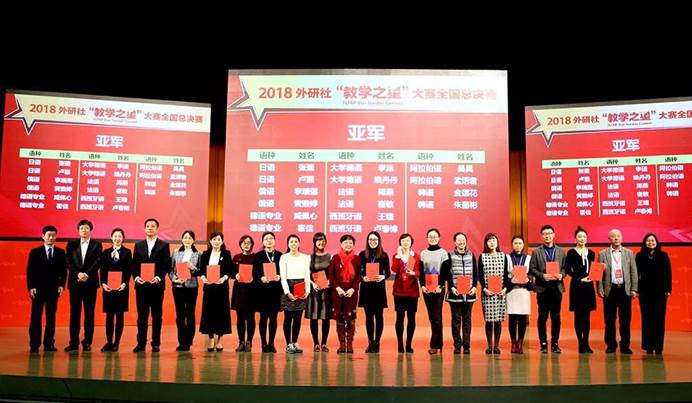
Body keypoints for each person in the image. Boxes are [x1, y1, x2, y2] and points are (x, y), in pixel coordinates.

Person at [598, 229, 638, 354]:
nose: (616, 238)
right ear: (609, 239)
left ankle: (625, 345)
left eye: (618, 236)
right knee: (609, 320)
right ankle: (611, 345)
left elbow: (633, 272)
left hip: (625, 290)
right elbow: (598, 273)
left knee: (625, 320)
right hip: (610, 290)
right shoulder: (602, 253)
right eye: (613, 236)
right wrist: (600, 289)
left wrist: (634, 289)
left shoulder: (629, 253)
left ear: (622, 238)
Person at [27, 225, 66, 353]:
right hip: (38, 290)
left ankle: (49, 344)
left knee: (51, 317)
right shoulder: (35, 252)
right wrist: (31, 287)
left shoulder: (61, 253)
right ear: (43, 236)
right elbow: (30, 271)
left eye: (53, 235)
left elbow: (63, 271)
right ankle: (34, 344)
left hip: (53, 290)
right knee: (36, 317)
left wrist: (61, 285)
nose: (51, 238)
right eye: (49, 235)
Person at [132, 218, 170, 353]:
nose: (150, 228)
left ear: (157, 229)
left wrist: (159, 277)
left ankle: (156, 343)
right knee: (142, 316)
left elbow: (166, 265)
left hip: (157, 286)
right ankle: (141, 343)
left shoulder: (164, 245)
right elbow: (134, 265)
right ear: (144, 229)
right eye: (147, 226)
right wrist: (136, 277)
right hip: (141, 286)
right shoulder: (138, 245)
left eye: (153, 226)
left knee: (156, 316)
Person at [65, 219, 102, 352]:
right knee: (74, 313)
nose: (84, 230)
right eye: (81, 228)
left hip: (90, 283)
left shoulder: (97, 244)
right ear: (78, 230)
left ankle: (87, 342)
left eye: (86, 228)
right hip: (75, 283)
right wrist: (78, 274)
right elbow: (68, 261)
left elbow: (98, 261)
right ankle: (73, 342)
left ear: (90, 230)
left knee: (89, 314)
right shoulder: (71, 244)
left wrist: (86, 274)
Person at [529, 224, 566, 353]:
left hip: (556, 287)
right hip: (542, 288)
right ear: (541, 236)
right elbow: (532, 269)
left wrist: (562, 274)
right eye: (545, 234)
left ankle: (555, 343)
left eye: (549, 233)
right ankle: (543, 343)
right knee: (543, 316)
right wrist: (542, 275)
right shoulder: (536, 251)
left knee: (556, 317)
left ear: (553, 235)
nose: (547, 236)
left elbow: (565, 268)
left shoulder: (561, 251)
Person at [636, 233, 672, 355]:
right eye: (648, 240)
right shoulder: (639, 256)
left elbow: (668, 273)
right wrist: (636, 289)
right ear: (644, 243)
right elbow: (636, 274)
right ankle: (648, 346)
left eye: (652, 240)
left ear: (656, 242)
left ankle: (659, 346)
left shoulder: (663, 255)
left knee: (659, 319)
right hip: (645, 292)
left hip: (660, 292)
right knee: (646, 318)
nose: (650, 242)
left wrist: (668, 289)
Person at [199, 232, 234, 351]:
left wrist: (224, 278)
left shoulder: (226, 254)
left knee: (221, 314)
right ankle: (211, 339)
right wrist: (203, 278)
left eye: (219, 239)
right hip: (209, 288)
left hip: (221, 288)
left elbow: (230, 270)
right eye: (214, 239)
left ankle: (219, 341)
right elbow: (202, 270)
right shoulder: (205, 254)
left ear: (222, 241)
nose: (216, 241)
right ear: (210, 241)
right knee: (209, 313)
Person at [563, 226, 596, 354]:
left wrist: (596, 273)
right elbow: (567, 269)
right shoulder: (571, 252)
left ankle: (586, 343)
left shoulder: (591, 253)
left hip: (588, 287)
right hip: (577, 286)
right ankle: (580, 343)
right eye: (579, 236)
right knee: (578, 316)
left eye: (584, 237)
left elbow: (594, 269)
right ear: (575, 238)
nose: (582, 239)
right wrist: (579, 278)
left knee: (586, 316)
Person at [443, 232, 477, 354]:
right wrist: (451, 287)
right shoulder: (450, 255)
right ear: (455, 242)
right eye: (459, 240)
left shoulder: (471, 255)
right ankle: (457, 345)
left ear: (466, 241)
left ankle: (466, 345)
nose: (461, 242)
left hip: (469, 293)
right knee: (456, 319)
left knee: (467, 319)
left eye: (463, 240)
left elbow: (475, 273)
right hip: (455, 293)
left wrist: (474, 286)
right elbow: (447, 274)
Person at [357, 231, 391, 353]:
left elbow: (388, 273)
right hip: (366, 289)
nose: (373, 242)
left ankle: (377, 342)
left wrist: (383, 277)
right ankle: (370, 342)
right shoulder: (362, 255)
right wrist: (362, 278)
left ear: (379, 241)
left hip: (378, 290)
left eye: (375, 240)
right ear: (367, 241)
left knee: (379, 316)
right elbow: (358, 272)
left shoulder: (384, 256)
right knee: (369, 317)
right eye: (370, 240)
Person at [100, 228, 132, 352]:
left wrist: (124, 283)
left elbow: (128, 269)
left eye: (119, 236)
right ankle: (108, 342)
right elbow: (103, 269)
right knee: (109, 316)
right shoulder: (106, 252)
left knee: (119, 316)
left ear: (123, 238)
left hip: (121, 289)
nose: (117, 238)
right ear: (111, 237)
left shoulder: (127, 252)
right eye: (115, 236)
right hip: (108, 289)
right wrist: (103, 284)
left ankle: (116, 343)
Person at [328, 234, 362, 354]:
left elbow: (359, 276)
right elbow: (331, 276)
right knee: (340, 318)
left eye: (350, 243)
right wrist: (338, 288)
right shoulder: (335, 258)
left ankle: (350, 344)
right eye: (346, 242)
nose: (348, 245)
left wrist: (352, 289)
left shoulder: (356, 259)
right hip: (338, 293)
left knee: (350, 318)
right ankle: (342, 345)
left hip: (351, 293)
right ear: (341, 244)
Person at [169, 230, 201, 351]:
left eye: (190, 238)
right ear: (182, 239)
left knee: (190, 314)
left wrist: (193, 268)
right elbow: (170, 269)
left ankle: (188, 341)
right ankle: (181, 341)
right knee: (180, 314)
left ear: (193, 240)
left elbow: (200, 271)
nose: (187, 240)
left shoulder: (198, 253)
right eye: (185, 237)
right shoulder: (176, 252)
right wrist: (174, 279)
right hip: (178, 287)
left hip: (192, 286)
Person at [478, 233, 509, 355]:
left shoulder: (503, 256)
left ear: (497, 242)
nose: (492, 243)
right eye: (489, 241)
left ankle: (496, 346)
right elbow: (480, 275)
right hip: (487, 293)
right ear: (486, 243)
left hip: (500, 293)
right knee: (488, 320)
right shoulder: (482, 257)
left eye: (494, 240)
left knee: (498, 320)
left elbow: (506, 274)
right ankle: (489, 346)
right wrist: (484, 288)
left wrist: (505, 288)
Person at [279, 234, 311, 353]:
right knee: (288, 317)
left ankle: (295, 342)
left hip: (301, 286)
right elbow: (283, 277)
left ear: (299, 243)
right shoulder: (284, 257)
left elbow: (307, 275)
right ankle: (288, 343)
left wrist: (307, 290)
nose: (294, 244)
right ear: (288, 244)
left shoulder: (305, 257)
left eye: (296, 241)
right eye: (291, 241)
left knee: (298, 317)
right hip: (288, 286)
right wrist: (287, 292)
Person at [419, 228, 449, 355]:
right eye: (430, 237)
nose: (433, 239)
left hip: (438, 289)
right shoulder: (423, 253)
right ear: (427, 238)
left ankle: (435, 345)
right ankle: (439, 344)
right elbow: (421, 272)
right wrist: (422, 286)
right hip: (427, 289)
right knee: (432, 317)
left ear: (439, 238)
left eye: (435, 236)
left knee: (437, 317)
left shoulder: (443, 253)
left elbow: (445, 271)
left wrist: (440, 286)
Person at [253, 231, 282, 353]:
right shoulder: (258, 255)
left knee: (273, 318)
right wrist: (261, 278)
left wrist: (280, 276)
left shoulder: (280, 255)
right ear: (263, 242)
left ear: (274, 241)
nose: (269, 240)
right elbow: (254, 273)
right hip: (262, 291)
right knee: (263, 317)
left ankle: (271, 343)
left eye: (271, 238)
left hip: (275, 291)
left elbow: (283, 271)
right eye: (266, 239)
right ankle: (263, 343)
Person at [391, 233, 420, 353]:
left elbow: (419, 272)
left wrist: (414, 273)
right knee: (400, 317)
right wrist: (399, 257)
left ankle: (408, 344)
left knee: (411, 318)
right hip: (399, 291)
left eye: (407, 240)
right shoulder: (396, 255)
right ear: (400, 243)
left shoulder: (416, 256)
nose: (405, 243)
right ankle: (400, 345)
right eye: (403, 241)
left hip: (412, 291)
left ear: (411, 242)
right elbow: (394, 269)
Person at [305, 232, 331, 352]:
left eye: (323, 240)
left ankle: (324, 343)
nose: (321, 242)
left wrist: (329, 281)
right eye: (318, 240)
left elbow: (332, 273)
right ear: (314, 242)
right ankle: (316, 343)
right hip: (314, 290)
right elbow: (306, 274)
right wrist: (312, 283)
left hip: (326, 290)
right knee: (314, 317)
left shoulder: (330, 256)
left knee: (325, 317)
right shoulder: (310, 257)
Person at [506, 235, 531, 354]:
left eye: (520, 243)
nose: (518, 245)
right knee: (512, 318)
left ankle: (520, 343)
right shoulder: (507, 258)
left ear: (523, 245)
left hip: (523, 291)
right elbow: (504, 274)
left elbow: (531, 273)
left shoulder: (528, 258)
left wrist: (528, 279)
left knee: (522, 318)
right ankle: (513, 343)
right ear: (512, 245)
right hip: (512, 291)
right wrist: (510, 280)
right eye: (515, 243)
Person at [232, 235, 257, 352]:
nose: (246, 245)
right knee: (240, 317)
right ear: (240, 244)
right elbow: (231, 272)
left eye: (248, 242)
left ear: (252, 244)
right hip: (239, 291)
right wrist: (235, 275)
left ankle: (249, 342)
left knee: (251, 317)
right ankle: (241, 341)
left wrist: (254, 277)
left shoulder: (256, 257)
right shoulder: (236, 257)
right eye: (244, 243)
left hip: (252, 291)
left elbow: (259, 272)